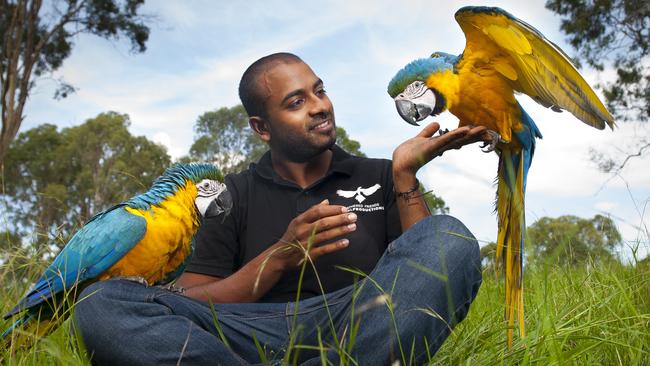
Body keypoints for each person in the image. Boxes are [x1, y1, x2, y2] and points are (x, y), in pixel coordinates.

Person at [74, 52, 486, 365]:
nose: (319, 106)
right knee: (100, 302)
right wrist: (279, 258)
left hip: (359, 322)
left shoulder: (380, 174)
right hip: (242, 334)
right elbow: (191, 299)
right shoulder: (229, 195)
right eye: (295, 102)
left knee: (449, 238)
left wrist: (405, 178)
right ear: (261, 128)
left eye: (319, 91)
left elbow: (424, 274)